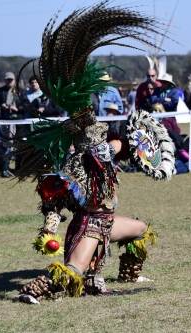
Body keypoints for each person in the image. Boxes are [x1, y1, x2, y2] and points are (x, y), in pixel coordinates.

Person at [15, 3, 174, 304]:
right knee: (73, 270)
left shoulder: (105, 148)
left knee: (141, 230)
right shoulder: (71, 167)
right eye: (95, 135)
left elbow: (124, 145)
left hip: (108, 222)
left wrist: (146, 149)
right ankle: (31, 291)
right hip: (87, 226)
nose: (102, 137)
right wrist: (48, 232)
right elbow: (53, 205)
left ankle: (129, 273)